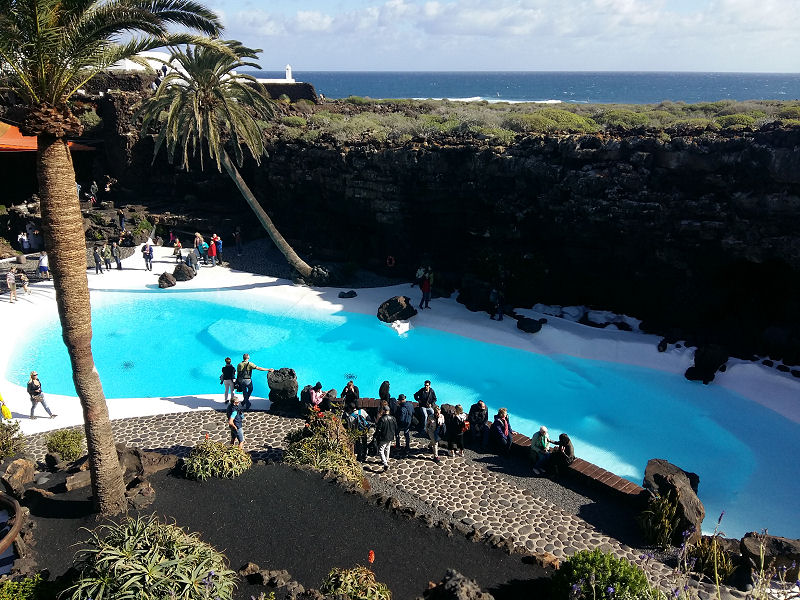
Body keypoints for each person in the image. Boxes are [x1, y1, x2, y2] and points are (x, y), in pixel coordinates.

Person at [375, 405, 398, 471]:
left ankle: (385, 463)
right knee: (387, 448)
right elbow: (396, 427)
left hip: (383, 436)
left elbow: (378, 429)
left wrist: (375, 436)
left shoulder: (382, 419)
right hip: (390, 436)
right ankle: (386, 459)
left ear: (383, 411)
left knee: (381, 450)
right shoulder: (393, 418)